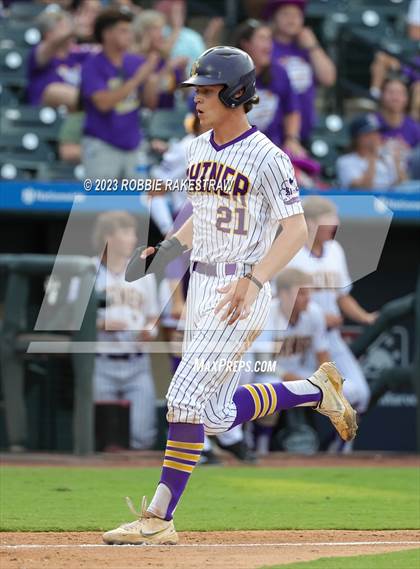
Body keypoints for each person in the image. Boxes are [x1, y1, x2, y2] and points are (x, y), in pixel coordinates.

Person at [102, 46, 357, 546]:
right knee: (215, 416)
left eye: (207, 89)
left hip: (241, 288)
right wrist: (170, 246)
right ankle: (314, 391)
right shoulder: (198, 148)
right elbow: (205, 217)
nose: (196, 98)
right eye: (195, 89)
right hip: (203, 284)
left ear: (237, 92)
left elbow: (294, 231)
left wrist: (255, 279)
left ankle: (158, 518)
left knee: (181, 397)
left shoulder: (268, 156)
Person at [287, 196, 373, 418]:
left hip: (330, 337)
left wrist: (366, 317)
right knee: (292, 390)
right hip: (299, 337)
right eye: (329, 222)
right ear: (312, 222)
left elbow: (342, 296)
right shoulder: (291, 252)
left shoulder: (335, 250)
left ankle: (339, 449)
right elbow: (281, 300)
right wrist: (318, 317)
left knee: (360, 393)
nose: (334, 227)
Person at [92, 211, 159, 450]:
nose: (133, 238)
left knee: (142, 437)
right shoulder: (88, 271)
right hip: (101, 363)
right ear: (109, 237)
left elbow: (153, 318)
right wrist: (101, 324)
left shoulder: (144, 275)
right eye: (127, 232)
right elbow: (69, 317)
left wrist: (148, 332)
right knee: (103, 438)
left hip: (137, 363)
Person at [254, 268, 330, 455]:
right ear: (284, 294)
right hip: (266, 372)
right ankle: (260, 446)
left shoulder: (315, 313)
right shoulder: (266, 314)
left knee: (347, 391)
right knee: (270, 390)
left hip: (301, 372)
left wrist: (327, 381)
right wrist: (291, 378)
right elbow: (262, 361)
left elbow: (323, 354)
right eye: (302, 293)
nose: (307, 298)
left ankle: (339, 451)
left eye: (308, 292)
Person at [80, 7, 160, 179]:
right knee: (101, 203)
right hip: (102, 144)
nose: (129, 35)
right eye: (123, 31)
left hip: (134, 144)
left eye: (130, 31)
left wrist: (151, 82)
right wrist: (138, 79)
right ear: (107, 34)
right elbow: (103, 104)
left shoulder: (135, 61)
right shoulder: (92, 65)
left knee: (137, 203)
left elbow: (150, 104)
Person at [266, 0, 336, 144]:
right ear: (274, 18)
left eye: (297, 15)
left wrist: (313, 46)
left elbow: (328, 78)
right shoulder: (265, 47)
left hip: (303, 132)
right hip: (270, 133)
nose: (292, 20)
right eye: (286, 14)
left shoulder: (306, 50)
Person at [235, 19, 305, 156]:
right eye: (262, 38)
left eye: (269, 39)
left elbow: (292, 110)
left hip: (272, 151)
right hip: (235, 151)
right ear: (246, 44)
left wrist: (292, 139)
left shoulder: (279, 73)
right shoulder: (225, 75)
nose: (268, 44)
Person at [27, 6, 93, 109]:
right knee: (54, 91)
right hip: (45, 112)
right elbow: (51, 45)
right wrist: (74, 29)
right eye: (63, 27)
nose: (69, 31)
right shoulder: (40, 53)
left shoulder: (80, 55)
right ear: (48, 34)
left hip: (76, 113)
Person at [336, 113, 408, 190]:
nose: (375, 137)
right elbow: (363, 188)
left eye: (377, 133)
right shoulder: (345, 162)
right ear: (357, 138)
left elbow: (403, 185)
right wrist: (373, 155)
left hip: (388, 201)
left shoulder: (387, 159)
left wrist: (397, 162)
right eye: (369, 134)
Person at [376, 78, 420, 151]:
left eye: (400, 93)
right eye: (391, 92)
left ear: (406, 99)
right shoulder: (371, 124)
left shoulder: (414, 127)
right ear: (382, 96)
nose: (395, 98)